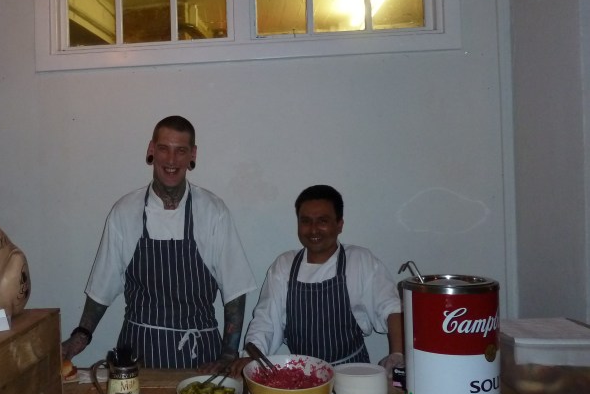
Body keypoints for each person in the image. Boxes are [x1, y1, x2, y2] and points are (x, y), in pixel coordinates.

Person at [62, 116, 256, 370]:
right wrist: (78, 340)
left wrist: (229, 356)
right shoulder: (125, 212)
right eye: (164, 149)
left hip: (202, 361)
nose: (171, 160)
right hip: (138, 358)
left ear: (192, 155)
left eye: (181, 151)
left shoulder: (213, 211)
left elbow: (235, 292)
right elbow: (102, 288)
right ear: (151, 150)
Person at [233, 185, 403, 378]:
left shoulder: (360, 260)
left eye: (323, 221)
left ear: (339, 224)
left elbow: (391, 308)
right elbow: (266, 321)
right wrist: (251, 356)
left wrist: (397, 355)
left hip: (352, 374)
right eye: (305, 221)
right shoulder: (284, 265)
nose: (313, 229)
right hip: (302, 376)